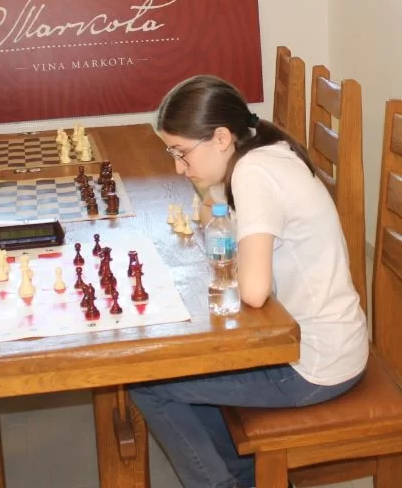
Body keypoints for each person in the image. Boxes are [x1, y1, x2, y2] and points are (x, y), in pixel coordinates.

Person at [129, 75, 368, 488]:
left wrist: (228, 249)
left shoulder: (255, 173)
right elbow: (215, 217)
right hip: (327, 343)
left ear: (222, 138)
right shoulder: (261, 150)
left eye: (182, 153)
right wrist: (210, 197)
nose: (178, 167)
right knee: (183, 369)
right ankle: (245, 476)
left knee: (148, 382)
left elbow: (254, 292)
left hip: (311, 364)